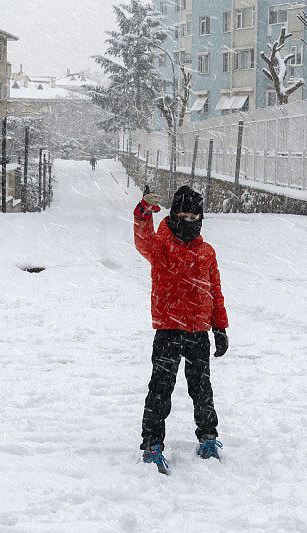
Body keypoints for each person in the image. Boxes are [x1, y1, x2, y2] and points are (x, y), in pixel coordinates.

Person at [133, 184, 229, 474]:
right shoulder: (161, 246)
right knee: (161, 389)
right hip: (168, 331)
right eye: (183, 216)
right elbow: (142, 237)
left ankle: (208, 437)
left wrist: (220, 327)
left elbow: (214, 291)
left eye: (194, 218)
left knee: (202, 389)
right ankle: (152, 443)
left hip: (198, 331)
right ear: (174, 214)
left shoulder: (207, 252)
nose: (189, 222)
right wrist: (144, 209)